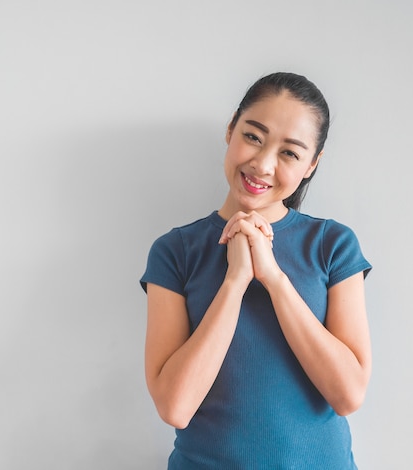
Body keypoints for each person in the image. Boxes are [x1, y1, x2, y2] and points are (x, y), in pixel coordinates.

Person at [140, 72, 372, 469]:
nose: (262, 164)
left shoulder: (333, 245)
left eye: (290, 153)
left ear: (311, 165)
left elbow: (348, 394)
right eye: (253, 136)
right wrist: (234, 282)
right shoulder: (175, 251)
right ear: (231, 130)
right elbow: (175, 406)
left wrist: (273, 278)